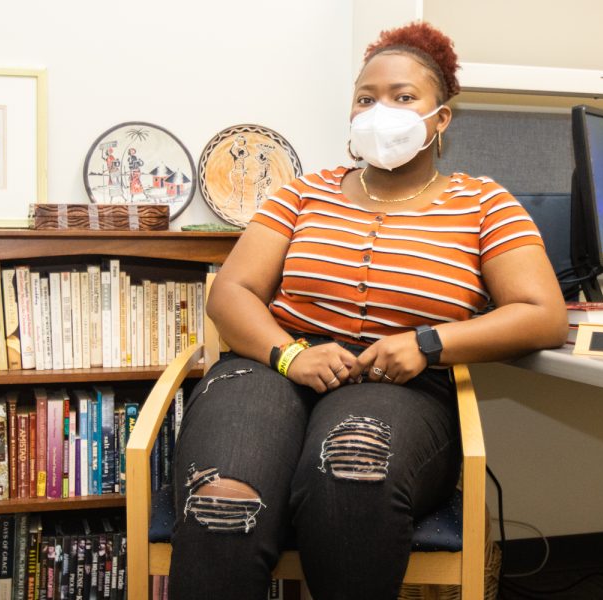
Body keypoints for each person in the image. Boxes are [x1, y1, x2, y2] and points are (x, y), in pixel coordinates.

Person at [169, 22, 567, 600]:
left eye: (404, 98)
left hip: (401, 382)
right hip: (271, 366)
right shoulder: (302, 193)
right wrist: (290, 355)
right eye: (366, 98)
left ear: (441, 118)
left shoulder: (484, 203)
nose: (381, 111)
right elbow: (231, 292)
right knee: (223, 498)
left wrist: (429, 343)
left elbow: (541, 314)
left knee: (351, 471)